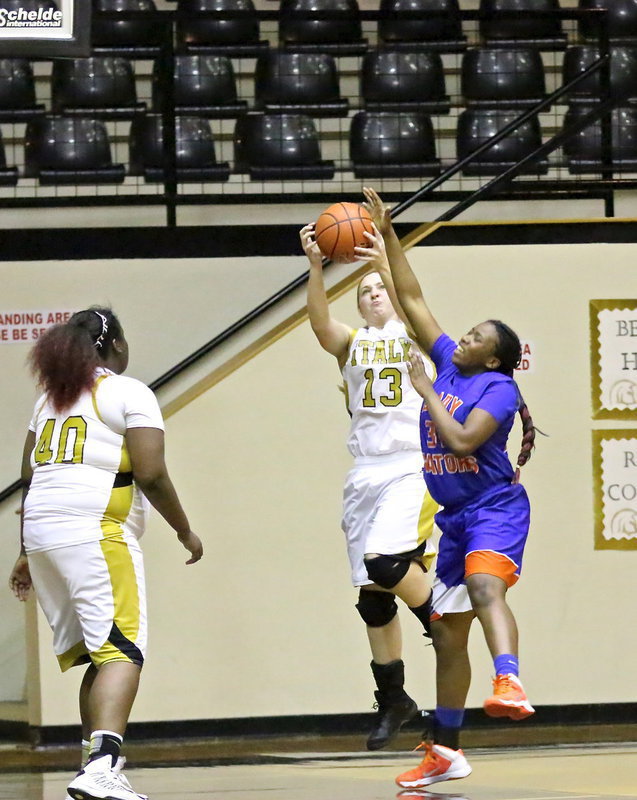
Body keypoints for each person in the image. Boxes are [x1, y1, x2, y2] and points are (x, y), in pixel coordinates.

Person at [355, 189, 537, 789]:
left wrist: (423, 387)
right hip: (455, 517)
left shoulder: (498, 392)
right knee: (447, 635)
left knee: (487, 585)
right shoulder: (453, 363)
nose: (463, 335)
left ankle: (508, 678)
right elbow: (411, 296)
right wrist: (390, 235)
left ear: (498, 358)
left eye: (477, 335)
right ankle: (447, 749)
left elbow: (460, 442)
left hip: (494, 509)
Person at [9, 307, 203, 800]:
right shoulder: (129, 390)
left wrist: (26, 553)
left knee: (99, 655)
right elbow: (151, 473)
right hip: (93, 532)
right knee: (124, 650)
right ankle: (103, 767)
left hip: (43, 534)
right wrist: (185, 531)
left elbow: (30, 478)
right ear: (115, 344)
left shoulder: (49, 399)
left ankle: (90, 765)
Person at [300, 194, 438, 752]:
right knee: (372, 598)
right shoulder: (352, 343)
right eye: (363, 291)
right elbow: (317, 323)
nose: (373, 293)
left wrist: (384, 252)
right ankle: (396, 699)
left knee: (387, 563)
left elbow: (409, 294)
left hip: (411, 464)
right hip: (366, 471)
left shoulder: (412, 334)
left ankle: (443, 615)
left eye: (378, 287)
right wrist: (315, 267)